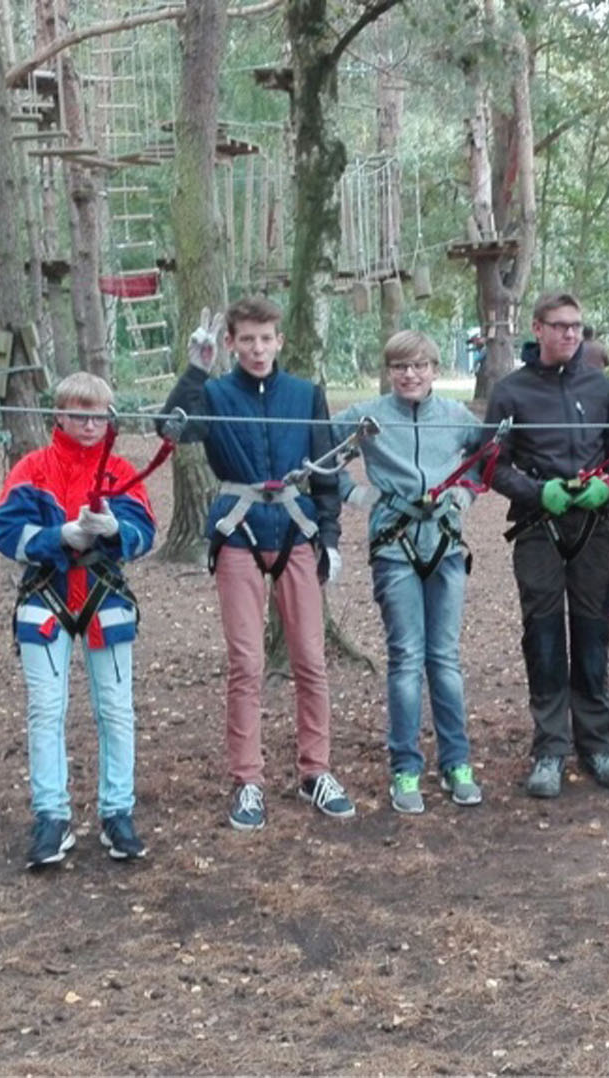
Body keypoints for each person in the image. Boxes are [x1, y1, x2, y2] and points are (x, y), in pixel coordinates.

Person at [163, 298, 352, 829]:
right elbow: (171, 429)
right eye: (246, 339)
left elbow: (326, 470)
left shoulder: (305, 394)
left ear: (279, 340)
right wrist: (195, 371)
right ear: (231, 343)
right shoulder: (214, 395)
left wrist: (330, 538)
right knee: (246, 662)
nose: (257, 348)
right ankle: (247, 780)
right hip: (239, 530)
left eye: (266, 338)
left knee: (310, 659)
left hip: (295, 528)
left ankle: (316, 771)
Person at [0, 372, 156, 867]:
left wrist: (116, 530)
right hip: (47, 595)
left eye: (98, 415)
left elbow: (144, 532)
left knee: (116, 710)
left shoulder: (119, 471)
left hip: (104, 598)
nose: (89, 425)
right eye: (79, 415)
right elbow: (4, 532)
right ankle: (51, 816)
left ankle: (118, 812)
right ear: (59, 416)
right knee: (46, 709)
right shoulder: (33, 469)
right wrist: (58, 537)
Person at [483, 292, 609, 798]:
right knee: (544, 635)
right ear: (538, 329)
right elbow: (490, 463)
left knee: (593, 631)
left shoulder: (599, 387)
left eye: (577, 326)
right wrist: (535, 491)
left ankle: (597, 744)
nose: (571, 334)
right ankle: (550, 748)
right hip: (537, 525)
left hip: (592, 524)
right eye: (560, 325)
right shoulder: (511, 392)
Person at [333, 331, 486, 814]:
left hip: (445, 543)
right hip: (394, 544)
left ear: (435, 370)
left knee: (444, 658)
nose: (410, 374)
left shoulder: (456, 417)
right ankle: (405, 767)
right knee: (405, 658)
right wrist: (353, 493)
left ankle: (457, 763)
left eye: (420, 365)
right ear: (389, 371)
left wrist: (465, 492)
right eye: (400, 366)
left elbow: (489, 455)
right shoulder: (368, 417)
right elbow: (317, 447)